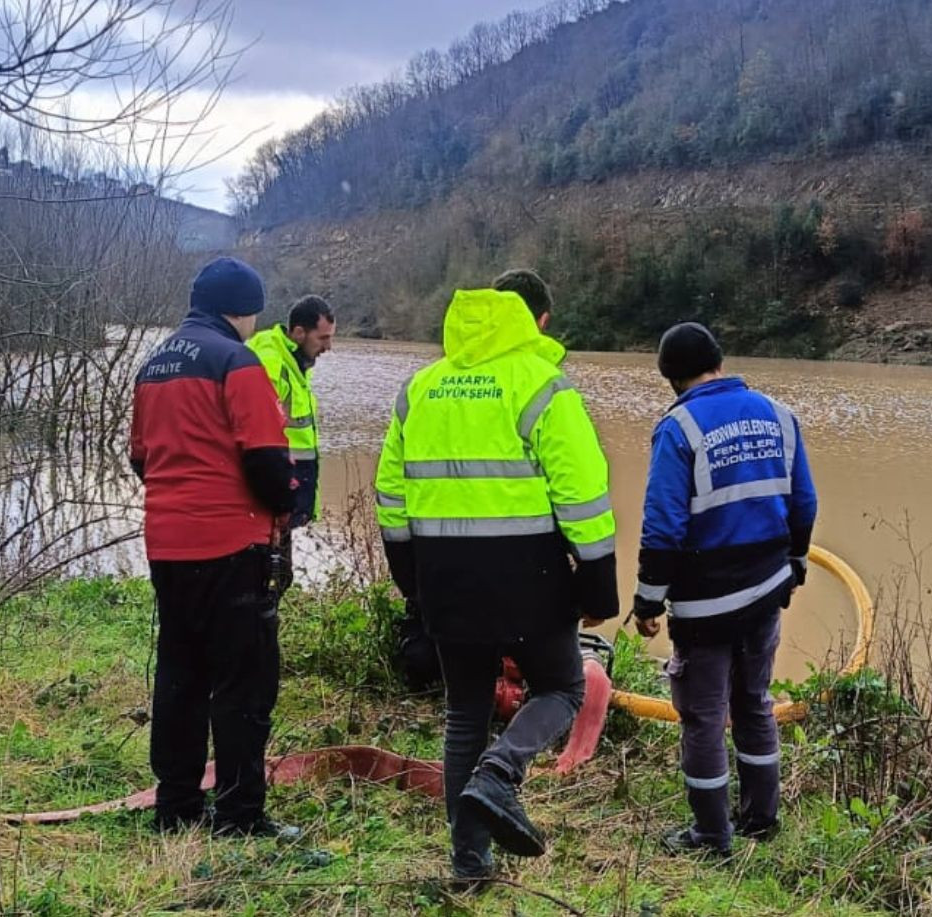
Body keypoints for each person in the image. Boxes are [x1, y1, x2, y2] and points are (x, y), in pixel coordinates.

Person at [374, 268, 619, 882]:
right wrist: (597, 586)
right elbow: (583, 497)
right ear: (537, 321)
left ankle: (469, 864)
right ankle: (501, 771)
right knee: (563, 688)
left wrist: (413, 582)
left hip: (444, 576)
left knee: (465, 713)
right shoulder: (543, 385)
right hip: (529, 574)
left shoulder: (419, 389)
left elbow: (390, 498)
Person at [632, 321, 817, 856]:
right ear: (719, 359)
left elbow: (663, 526)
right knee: (754, 702)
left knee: (704, 717)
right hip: (765, 593)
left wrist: (648, 599)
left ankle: (711, 836)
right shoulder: (780, 416)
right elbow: (803, 504)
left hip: (706, 603)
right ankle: (761, 819)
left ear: (671, 378)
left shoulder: (679, 428)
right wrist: (796, 563)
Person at [129, 256, 299, 838]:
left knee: (181, 674)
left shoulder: (152, 366)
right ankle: (240, 816)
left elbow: (140, 459)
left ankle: (175, 808)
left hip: (167, 545)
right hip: (232, 545)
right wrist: (289, 502)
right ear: (243, 310)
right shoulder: (238, 360)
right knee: (243, 683)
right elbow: (267, 461)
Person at [248, 295, 335, 591]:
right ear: (299, 333)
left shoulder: (294, 364)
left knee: (280, 578)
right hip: (270, 497)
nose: (328, 347)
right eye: (322, 338)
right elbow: (259, 439)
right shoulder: (272, 363)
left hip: (283, 495)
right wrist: (278, 498)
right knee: (268, 579)